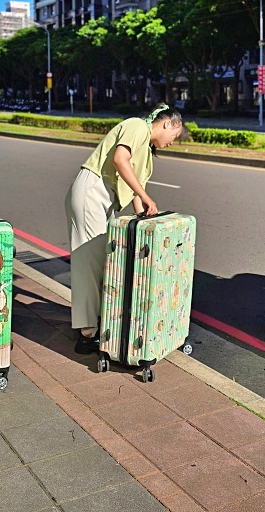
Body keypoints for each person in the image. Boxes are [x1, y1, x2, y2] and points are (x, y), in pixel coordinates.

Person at [65, 104, 184, 354]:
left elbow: (134, 192)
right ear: (166, 123)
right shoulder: (137, 126)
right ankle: (87, 334)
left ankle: (93, 324)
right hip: (92, 191)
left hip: (103, 198)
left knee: (101, 262)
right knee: (90, 263)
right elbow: (120, 160)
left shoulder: (147, 156)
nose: (174, 142)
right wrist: (146, 196)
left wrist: (144, 212)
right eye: (176, 135)